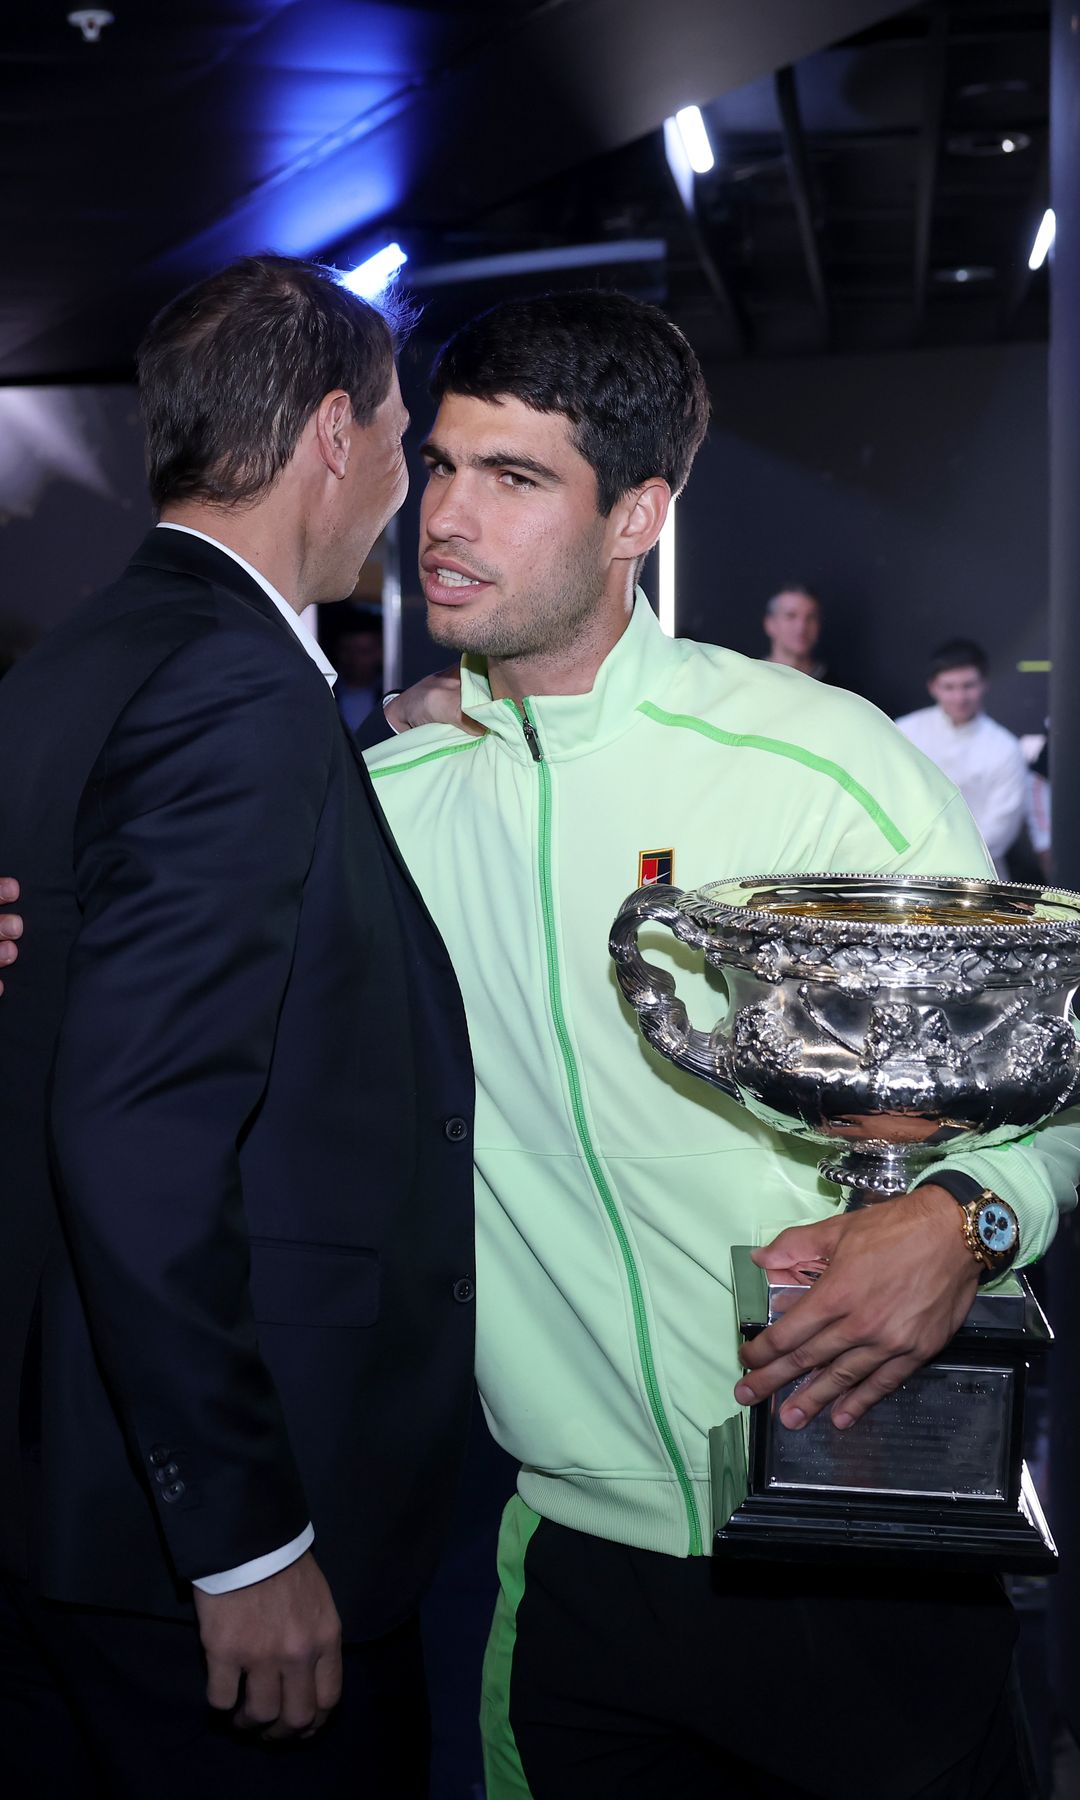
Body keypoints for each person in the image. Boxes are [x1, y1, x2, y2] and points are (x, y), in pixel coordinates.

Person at [358, 290, 1078, 1799]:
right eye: (440, 464)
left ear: (640, 515)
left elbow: (1044, 1081)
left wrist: (971, 1213)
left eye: (516, 477)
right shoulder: (388, 806)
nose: (447, 516)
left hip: (862, 1532)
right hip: (575, 1565)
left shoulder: (816, 767)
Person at [0, 255, 475, 1798]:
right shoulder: (236, 692)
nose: (407, 494)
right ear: (332, 435)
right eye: (407, 445)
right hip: (210, 1535)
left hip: (64, 1491)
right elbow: (140, 1132)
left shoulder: (82, 659)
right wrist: (247, 1538)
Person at [896, 640, 1028, 875]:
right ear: (933, 687)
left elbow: (1001, 828)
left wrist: (947, 863)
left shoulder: (1005, 747)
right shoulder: (905, 731)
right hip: (908, 871)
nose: (959, 697)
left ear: (984, 684)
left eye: (968, 686)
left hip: (979, 875)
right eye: (949, 687)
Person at [327, 604, 386, 730]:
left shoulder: (390, 693)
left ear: (379, 653)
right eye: (347, 650)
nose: (354, 659)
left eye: (364, 651)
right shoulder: (324, 691)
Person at [761, 583, 825, 678]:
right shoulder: (749, 681)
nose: (802, 626)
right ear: (770, 624)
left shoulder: (839, 689)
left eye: (810, 617)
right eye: (790, 615)